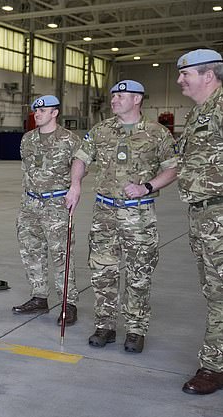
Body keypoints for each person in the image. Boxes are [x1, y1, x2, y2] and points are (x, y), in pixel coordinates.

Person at [66, 80, 177, 353]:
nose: (114, 100)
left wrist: (146, 186)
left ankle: (136, 330)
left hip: (139, 215)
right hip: (104, 212)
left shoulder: (157, 133)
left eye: (121, 95)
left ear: (137, 99)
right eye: (114, 95)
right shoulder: (101, 130)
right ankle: (105, 325)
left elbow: (173, 169)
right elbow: (80, 158)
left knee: (139, 273)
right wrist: (75, 184)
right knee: (103, 271)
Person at [174, 49, 223, 395]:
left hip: (220, 215)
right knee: (213, 291)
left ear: (208, 75)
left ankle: (213, 365)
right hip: (202, 215)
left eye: (185, 74)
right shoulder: (197, 115)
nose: (179, 80)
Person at [12, 95, 80, 326]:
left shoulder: (69, 139)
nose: (37, 114)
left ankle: (68, 303)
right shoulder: (27, 139)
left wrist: (73, 187)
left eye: (43, 110)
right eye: (35, 111)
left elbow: (80, 169)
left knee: (61, 255)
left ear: (55, 113)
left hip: (56, 204)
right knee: (31, 252)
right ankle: (39, 296)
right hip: (30, 203)